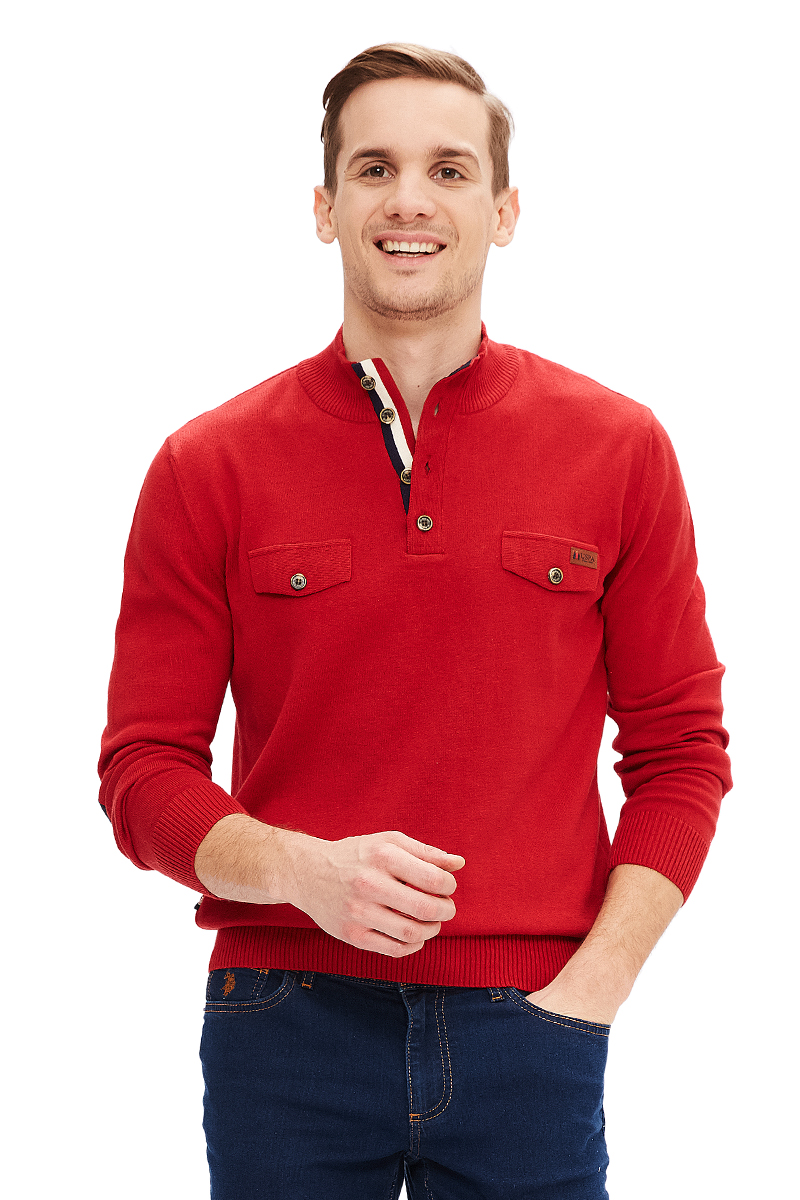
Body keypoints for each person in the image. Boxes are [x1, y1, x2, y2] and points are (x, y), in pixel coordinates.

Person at [99, 42, 732, 1199]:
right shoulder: (207, 464)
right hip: (282, 1024)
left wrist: (591, 989)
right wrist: (296, 870)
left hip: (533, 1021)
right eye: (373, 168)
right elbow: (142, 774)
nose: (408, 200)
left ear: (502, 211)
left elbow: (680, 752)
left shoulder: (618, 448)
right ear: (324, 208)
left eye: (447, 170)